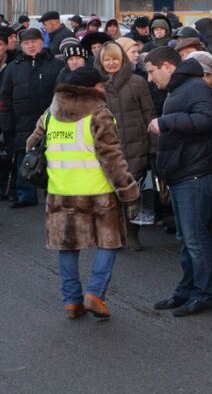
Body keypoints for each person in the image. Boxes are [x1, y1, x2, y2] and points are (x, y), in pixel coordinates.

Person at [25, 66, 139, 318]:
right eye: (101, 85)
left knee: (67, 247)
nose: (104, 89)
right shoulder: (100, 114)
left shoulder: (50, 114)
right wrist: (128, 191)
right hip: (98, 192)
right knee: (110, 242)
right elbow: (112, 158)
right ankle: (95, 294)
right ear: (90, 88)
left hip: (59, 190)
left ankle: (72, 302)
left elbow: (31, 144)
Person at [147, 47, 212, 317]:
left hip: (195, 174)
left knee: (195, 238)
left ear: (167, 66)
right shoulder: (181, 87)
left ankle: (203, 295)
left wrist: (166, 122)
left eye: (152, 71)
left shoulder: (194, 87)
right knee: (186, 238)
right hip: (183, 173)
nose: (150, 78)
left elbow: (208, 120)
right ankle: (186, 291)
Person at [96, 41, 155, 248]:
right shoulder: (95, 85)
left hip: (135, 144)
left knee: (132, 192)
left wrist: (153, 146)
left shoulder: (137, 82)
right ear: (100, 62)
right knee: (110, 193)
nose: (111, 63)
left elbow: (149, 114)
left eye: (115, 58)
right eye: (107, 59)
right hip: (107, 146)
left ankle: (132, 232)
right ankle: (114, 234)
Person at [2, 28, 62, 207]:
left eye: (34, 42)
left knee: (53, 158)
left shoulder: (55, 65)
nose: (31, 46)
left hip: (50, 120)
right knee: (24, 158)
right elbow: (5, 96)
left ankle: (54, 194)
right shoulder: (14, 67)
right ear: (21, 45)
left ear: (41, 42)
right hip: (22, 121)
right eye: (26, 43)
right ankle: (25, 196)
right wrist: (7, 123)